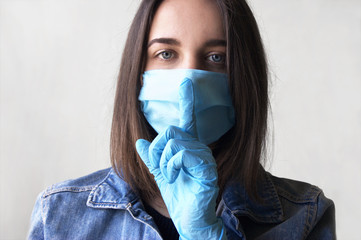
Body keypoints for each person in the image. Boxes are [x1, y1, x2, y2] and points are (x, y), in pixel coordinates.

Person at [27, 0, 336, 239]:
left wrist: (204, 233)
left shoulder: (303, 216)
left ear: (245, 78)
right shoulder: (60, 216)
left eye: (216, 58)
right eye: (166, 54)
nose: (188, 80)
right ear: (137, 76)